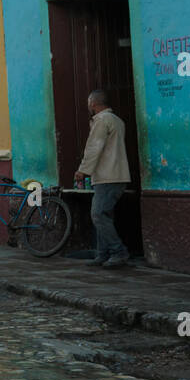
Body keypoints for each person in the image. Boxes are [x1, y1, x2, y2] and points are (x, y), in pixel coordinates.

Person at [74, 89, 131, 268]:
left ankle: (118, 251)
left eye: (88, 104)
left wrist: (83, 170)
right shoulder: (117, 120)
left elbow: (94, 148)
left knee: (98, 214)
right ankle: (102, 253)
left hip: (108, 176)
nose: (88, 107)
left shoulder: (101, 120)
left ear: (93, 104)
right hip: (117, 174)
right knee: (104, 215)